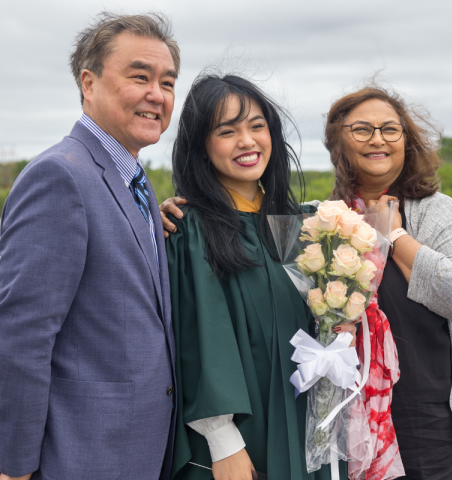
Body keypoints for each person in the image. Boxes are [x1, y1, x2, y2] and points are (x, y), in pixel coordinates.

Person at [0, 13, 180, 480]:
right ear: (89, 82)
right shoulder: (59, 176)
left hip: (137, 452)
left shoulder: (135, 182)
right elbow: (21, 336)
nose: (156, 95)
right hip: (79, 457)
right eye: (139, 77)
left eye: (167, 82)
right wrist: (13, 467)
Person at [164, 73, 356, 480]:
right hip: (238, 440)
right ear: (201, 147)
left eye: (256, 126)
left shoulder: (302, 226)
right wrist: (223, 441)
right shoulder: (191, 229)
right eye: (227, 131)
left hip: (307, 422)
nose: (247, 141)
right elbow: (200, 336)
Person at [323, 86, 452, 480]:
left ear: (406, 141)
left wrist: (397, 238)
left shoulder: (437, 213)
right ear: (337, 142)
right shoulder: (325, 221)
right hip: (348, 430)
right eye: (362, 129)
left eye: (390, 129)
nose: (378, 138)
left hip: (428, 432)